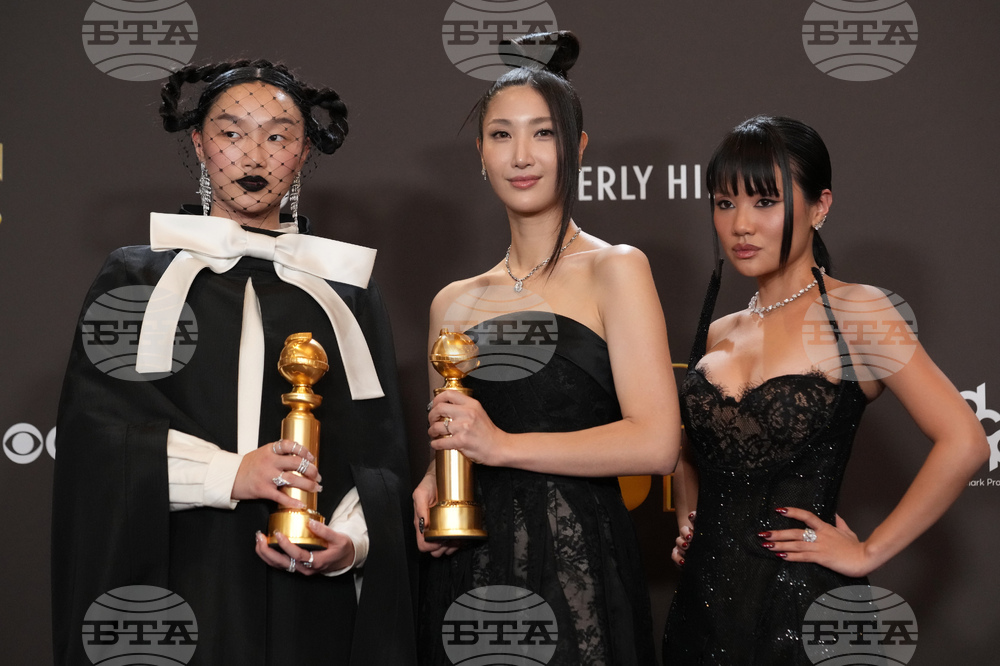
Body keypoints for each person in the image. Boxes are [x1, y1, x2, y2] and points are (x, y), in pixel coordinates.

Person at [52, 60, 417, 665]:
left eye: (278, 136)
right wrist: (231, 475)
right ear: (199, 143)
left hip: (309, 591)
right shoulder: (136, 277)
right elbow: (97, 438)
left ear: (302, 154)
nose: (254, 156)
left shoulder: (346, 288)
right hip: (178, 573)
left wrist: (349, 544)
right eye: (231, 132)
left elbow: (379, 452)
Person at [662, 115, 989, 663]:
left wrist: (867, 552)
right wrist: (687, 517)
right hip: (703, 613)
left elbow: (966, 441)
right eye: (724, 203)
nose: (741, 224)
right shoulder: (719, 331)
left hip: (806, 614)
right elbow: (687, 452)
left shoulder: (857, 312)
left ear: (820, 206)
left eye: (765, 202)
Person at [412, 32, 680, 665]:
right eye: (502, 134)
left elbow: (657, 442)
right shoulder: (452, 302)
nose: (522, 155)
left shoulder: (615, 269)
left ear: (578, 148)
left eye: (544, 133)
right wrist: (432, 480)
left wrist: (501, 446)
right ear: (480, 153)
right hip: (468, 572)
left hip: (577, 564)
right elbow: (457, 442)